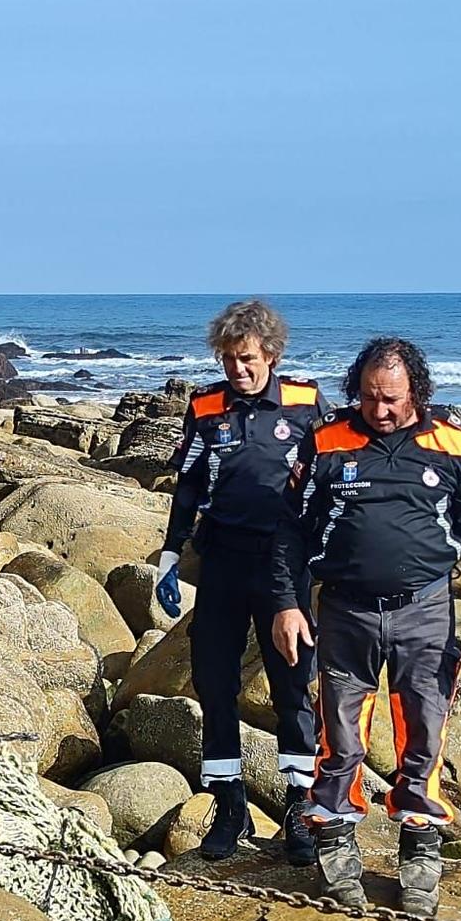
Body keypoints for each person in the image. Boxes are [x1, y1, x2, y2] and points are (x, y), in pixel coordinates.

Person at [267, 336, 461, 916]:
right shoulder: (325, 441)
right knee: (339, 735)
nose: (381, 409)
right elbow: (288, 531)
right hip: (344, 610)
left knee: (422, 732)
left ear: (416, 392)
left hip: (426, 610)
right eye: (370, 397)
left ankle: (420, 852)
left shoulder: (456, 446)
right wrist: (286, 605)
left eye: (392, 398)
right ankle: (336, 843)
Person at [154, 299, 336, 863]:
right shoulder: (205, 405)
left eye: (249, 358)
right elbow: (187, 484)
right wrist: (169, 552)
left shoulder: (307, 403)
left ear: (272, 355)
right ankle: (227, 805)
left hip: (286, 570)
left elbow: (336, 478)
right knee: (215, 686)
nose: (239, 369)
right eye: (229, 359)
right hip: (223, 562)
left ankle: (300, 807)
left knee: (291, 686)